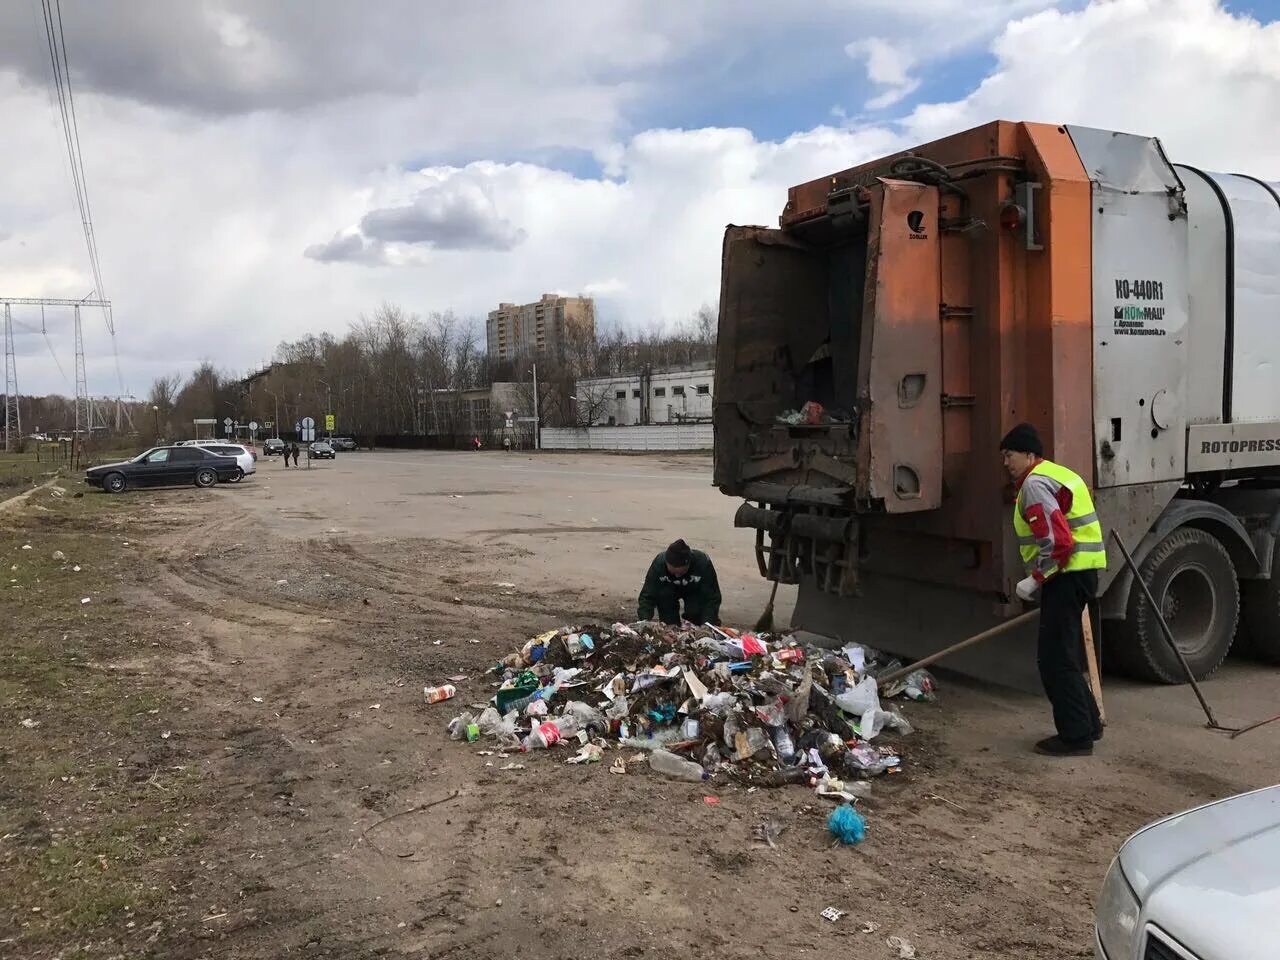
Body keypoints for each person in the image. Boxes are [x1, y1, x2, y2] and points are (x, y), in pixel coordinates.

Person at [1001, 422, 1107, 757]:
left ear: (1030, 454)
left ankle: (1076, 737)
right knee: (1064, 653)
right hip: (1080, 574)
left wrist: (1035, 578)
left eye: (1010, 455)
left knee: (1053, 659)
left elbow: (1059, 542)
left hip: (1066, 575)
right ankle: (1089, 722)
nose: (1006, 462)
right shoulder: (1056, 474)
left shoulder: (1033, 485)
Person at [637, 539, 722, 626]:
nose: (677, 576)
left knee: (695, 613)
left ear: (689, 563)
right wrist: (644, 620)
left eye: (681, 572)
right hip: (669, 589)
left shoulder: (703, 563)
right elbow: (647, 595)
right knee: (668, 615)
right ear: (666, 563)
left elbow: (712, 597)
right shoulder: (659, 564)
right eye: (673, 573)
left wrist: (708, 623)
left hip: (694, 590)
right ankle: (671, 625)